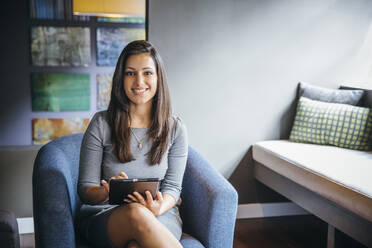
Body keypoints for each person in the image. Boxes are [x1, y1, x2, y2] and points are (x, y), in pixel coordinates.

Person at [77, 40, 188, 248]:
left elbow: (173, 187)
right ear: (121, 79)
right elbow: (85, 190)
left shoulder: (175, 128)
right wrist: (106, 191)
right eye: (130, 73)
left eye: (147, 73)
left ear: (158, 77)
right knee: (136, 213)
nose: (139, 82)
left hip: (161, 214)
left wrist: (158, 207)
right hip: (106, 215)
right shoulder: (101, 123)